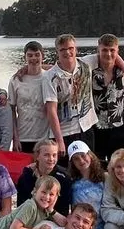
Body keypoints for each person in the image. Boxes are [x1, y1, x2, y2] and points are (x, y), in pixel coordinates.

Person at [42, 34, 98, 165]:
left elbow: (111, 52)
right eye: (62, 50)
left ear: (76, 49)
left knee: (89, 168)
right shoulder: (49, 77)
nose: (67, 52)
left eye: (70, 48)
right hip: (65, 132)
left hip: (86, 127)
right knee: (67, 170)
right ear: (57, 52)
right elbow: (51, 111)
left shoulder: (86, 63)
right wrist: (59, 141)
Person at [79, 34, 124, 164]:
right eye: (104, 50)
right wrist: (29, 69)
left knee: (120, 165)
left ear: (117, 51)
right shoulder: (88, 68)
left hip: (119, 126)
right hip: (96, 127)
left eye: (112, 50)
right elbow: (66, 65)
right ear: (98, 49)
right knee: (97, 165)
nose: (108, 54)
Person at [67, 140, 114, 229]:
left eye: (83, 155)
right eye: (76, 159)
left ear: (90, 155)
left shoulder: (105, 178)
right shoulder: (71, 181)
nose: (81, 161)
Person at [8, 41, 49, 155]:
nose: (33, 58)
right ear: (25, 57)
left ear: (42, 56)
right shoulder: (15, 80)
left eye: (37, 55)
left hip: (45, 137)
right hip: (23, 137)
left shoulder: (49, 77)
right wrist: (15, 138)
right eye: (30, 55)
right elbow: (11, 110)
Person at [15, 139, 73, 216]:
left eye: (54, 155)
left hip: (54, 218)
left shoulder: (64, 177)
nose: (51, 159)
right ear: (37, 156)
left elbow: (64, 210)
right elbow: (21, 204)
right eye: (46, 155)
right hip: (29, 217)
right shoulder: (27, 175)